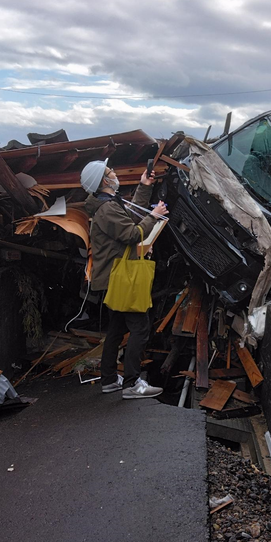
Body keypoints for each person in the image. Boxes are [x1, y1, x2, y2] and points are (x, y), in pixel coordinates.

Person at [81, 159, 169, 399]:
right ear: (103, 181)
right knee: (140, 328)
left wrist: (144, 186)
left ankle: (109, 380)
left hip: (112, 277)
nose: (115, 173)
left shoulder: (106, 204)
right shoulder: (107, 208)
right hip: (119, 276)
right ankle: (132, 384)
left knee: (117, 329)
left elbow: (129, 216)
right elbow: (131, 233)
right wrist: (153, 216)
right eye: (111, 172)